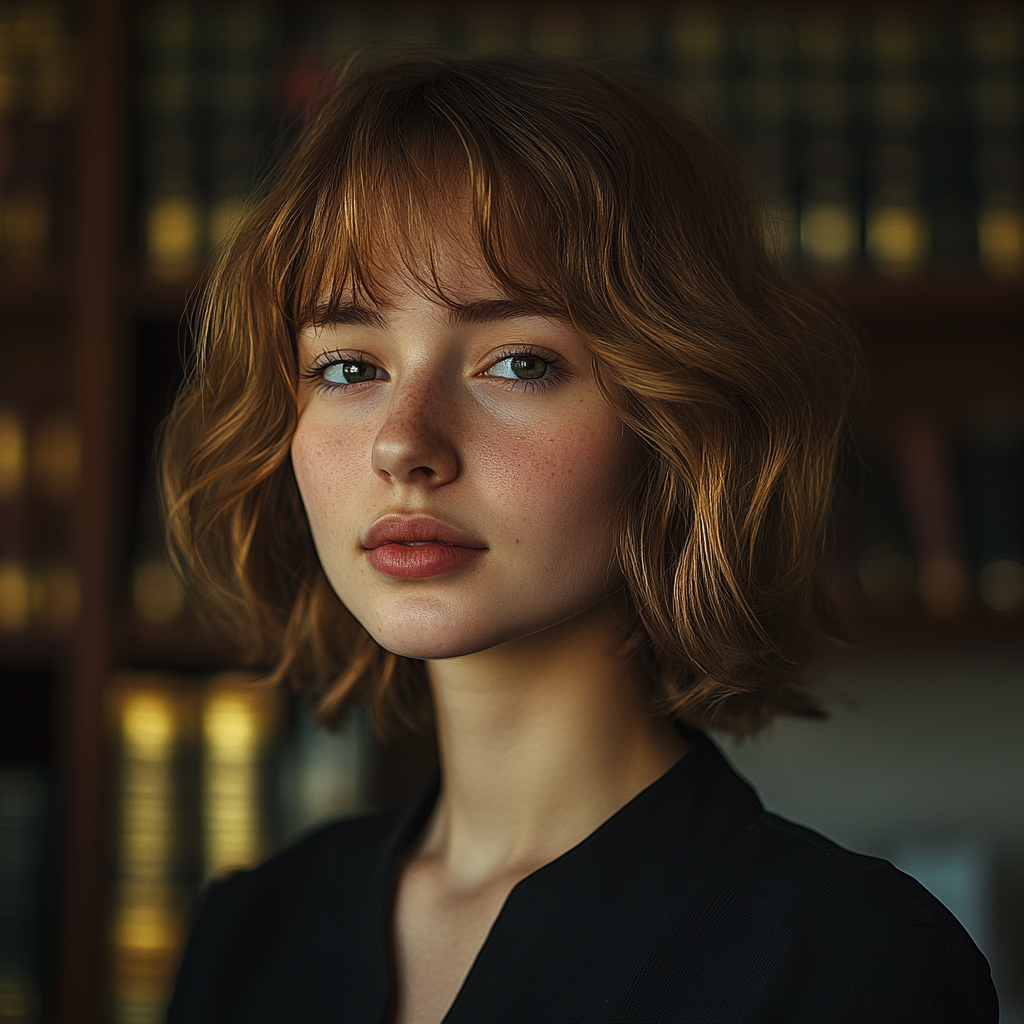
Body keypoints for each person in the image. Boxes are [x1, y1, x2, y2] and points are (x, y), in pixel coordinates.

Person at [161, 51, 997, 1024]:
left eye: (518, 361)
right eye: (347, 367)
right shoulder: (250, 929)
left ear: (677, 422)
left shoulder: (851, 961)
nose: (403, 443)